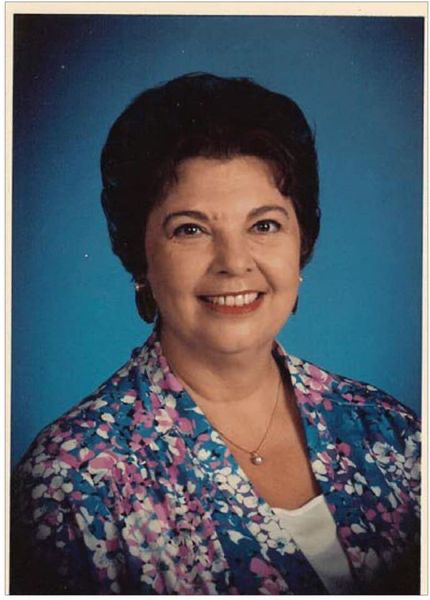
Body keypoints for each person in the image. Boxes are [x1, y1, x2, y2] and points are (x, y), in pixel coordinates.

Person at [10, 73, 420, 595]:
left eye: (264, 225)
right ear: (140, 257)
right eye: (191, 229)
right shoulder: (70, 483)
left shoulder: (389, 432)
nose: (234, 262)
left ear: (302, 244)